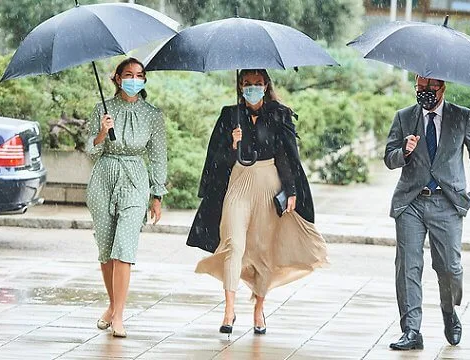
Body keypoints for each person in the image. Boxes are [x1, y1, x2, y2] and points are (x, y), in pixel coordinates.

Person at [187, 69, 328, 337]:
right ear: (240, 86)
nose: (252, 88)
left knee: (264, 251)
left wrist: (292, 190)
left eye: (258, 83)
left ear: (266, 86)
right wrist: (231, 143)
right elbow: (215, 160)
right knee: (233, 245)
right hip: (238, 184)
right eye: (247, 83)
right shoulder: (230, 115)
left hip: (269, 183)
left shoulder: (279, 114)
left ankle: (258, 308)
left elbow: (287, 155)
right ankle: (229, 310)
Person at [384, 75, 470, 350]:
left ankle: (449, 310)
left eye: (430, 88)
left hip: (447, 203)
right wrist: (404, 152)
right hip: (411, 202)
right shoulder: (404, 117)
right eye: (420, 88)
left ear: (443, 87)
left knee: (449, 269)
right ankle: (411, 331)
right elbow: (389, 157)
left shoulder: (461, 117)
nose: (425, 93)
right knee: (407, 266)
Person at [85, 57, 167, 338]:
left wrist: (157, 194)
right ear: (117, 79)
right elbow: (91, 151)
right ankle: (112, 304)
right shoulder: (102, 110)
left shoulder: (152, 114)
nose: (135, 79)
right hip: (104, 177)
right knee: (106, 250)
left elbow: (158, 156)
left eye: (140, 75)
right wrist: (101, 133)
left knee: (124, 248)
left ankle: (119, 315)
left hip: (135, 179)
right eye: (129, 74)